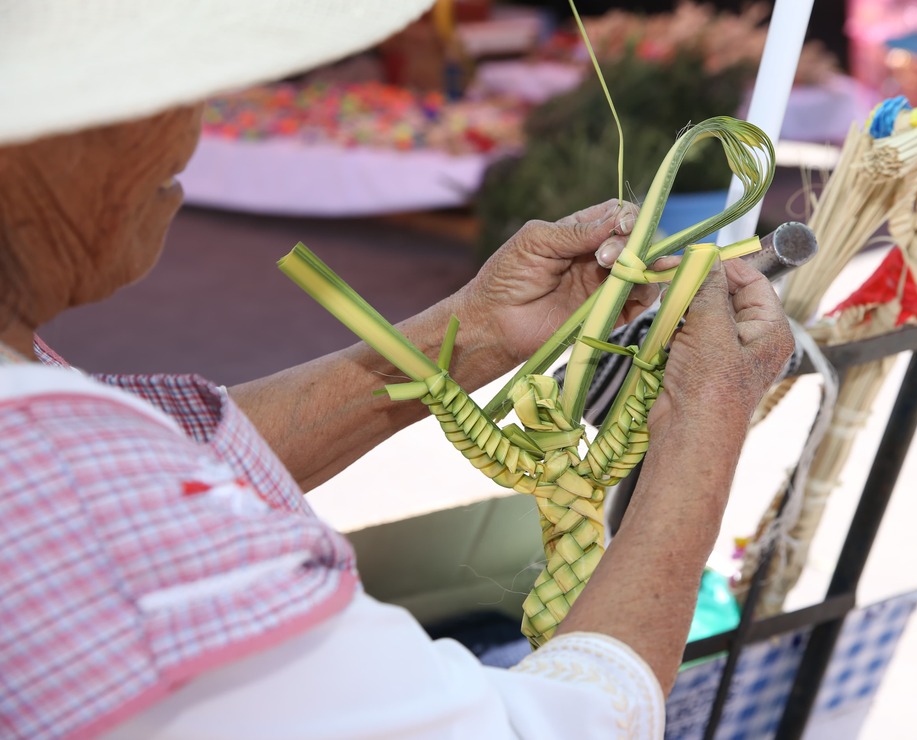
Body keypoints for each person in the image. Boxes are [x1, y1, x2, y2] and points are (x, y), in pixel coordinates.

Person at [0, 2, 793, 738]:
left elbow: (166, 461)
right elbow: (549, 727)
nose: (195, 124)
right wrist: (700, 425)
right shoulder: (80, 507)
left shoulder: (52, 431)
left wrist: (475, 333)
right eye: (150, 87)